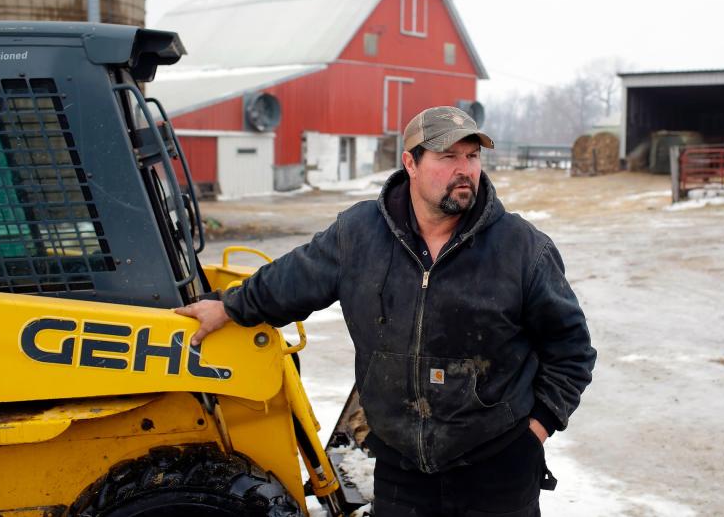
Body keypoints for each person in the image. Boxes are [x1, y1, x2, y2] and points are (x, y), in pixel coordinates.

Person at [175, 106, 596, 517]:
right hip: (401, 470)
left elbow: (571, 351)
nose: (464, 169)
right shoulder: (360, 234)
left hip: (498, 468)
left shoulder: (522, 248)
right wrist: (229, 307)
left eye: (472, 156)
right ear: (410, 163)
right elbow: (291, 281)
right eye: (448, 156)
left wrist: (535, 431)